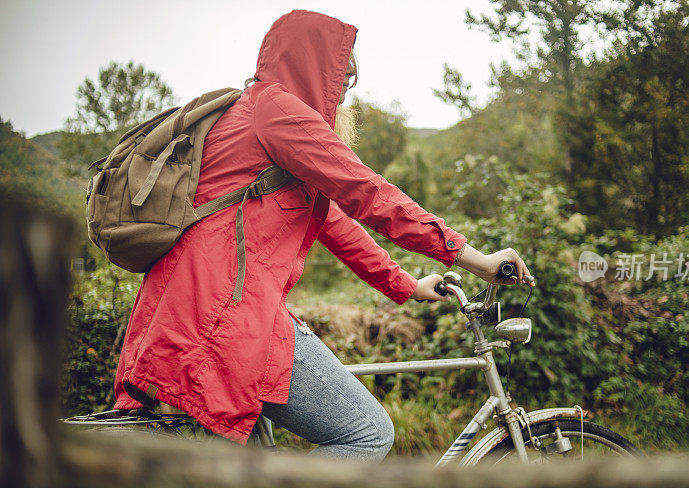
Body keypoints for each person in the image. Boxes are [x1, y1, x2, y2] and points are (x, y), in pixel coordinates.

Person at [113, 9, 533, 460]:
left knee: (244, 480)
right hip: (222, 316)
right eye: (342, 74)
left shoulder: (262, 119)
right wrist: (476, 259)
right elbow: (368, 194)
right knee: (367, 433)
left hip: (203, 308)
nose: (345, 89)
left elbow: (338, 224)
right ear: (313, 66)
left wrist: (407, 284)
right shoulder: (275, 109)